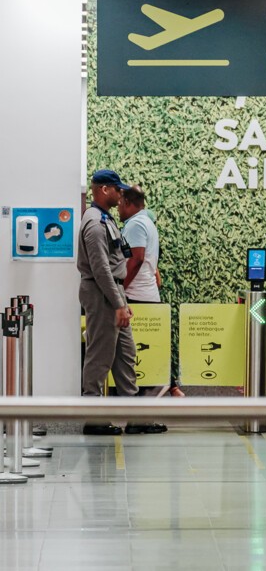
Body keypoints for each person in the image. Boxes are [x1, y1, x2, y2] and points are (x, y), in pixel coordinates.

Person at [77, 170, 165, 436]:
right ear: (104, 190)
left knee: (126, 355)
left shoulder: (105, 219)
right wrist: (118, 303)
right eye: (117, 189)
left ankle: (135, 417)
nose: (120, 194)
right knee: (99, 357)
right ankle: (93, 419)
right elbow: (101, 269)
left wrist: (120, 301)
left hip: (114, 294)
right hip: (103, 295)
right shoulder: (94, 223)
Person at [118, 186, 184, 396]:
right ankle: (168, 385)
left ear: (128, 203)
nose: (118, 209)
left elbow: (136, 259)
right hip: (147, 295)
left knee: (133, 350)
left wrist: (120, 289)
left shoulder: (136, 224)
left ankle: (160, 386)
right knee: (147, 347)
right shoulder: (147, 223)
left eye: (120, 204)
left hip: (137, 296)